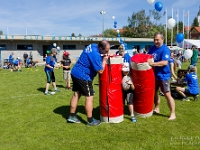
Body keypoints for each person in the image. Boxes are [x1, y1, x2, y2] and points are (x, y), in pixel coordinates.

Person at [67, 40, 110, 126]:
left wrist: (102, 55)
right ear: (100, 48)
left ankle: (71, 116)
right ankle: (90, 120)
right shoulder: (96, 55)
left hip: (75, 72)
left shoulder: (93, 45)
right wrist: (104, 60)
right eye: (106, 51)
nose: (107, 52)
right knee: (90, 97)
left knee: (76, 94)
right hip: (83, 76)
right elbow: (100, 71)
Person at [148, 32, 176, 120]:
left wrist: (153, 63)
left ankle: (173, 114)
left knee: (167, 94)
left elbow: (165, 62)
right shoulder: (152, 48)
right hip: (154, 75)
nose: (155, 41)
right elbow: (147, 57)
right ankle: (157, 108)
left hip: (163, 75)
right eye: (154, 39)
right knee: (154, 93)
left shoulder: (165, 49)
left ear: (162, 39)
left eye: (157, 40)